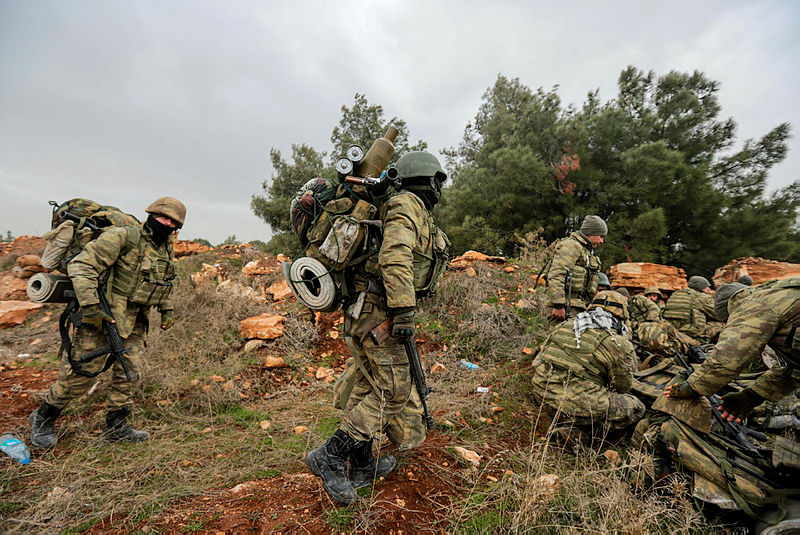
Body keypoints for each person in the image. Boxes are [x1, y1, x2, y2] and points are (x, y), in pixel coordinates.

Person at [306, 151, 449, 505]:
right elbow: (395, 256)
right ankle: (332, 455)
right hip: (379, 311)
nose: (439, 189)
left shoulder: (400, 205)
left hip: (366, 309)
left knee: (368, 382)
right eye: (438, 181)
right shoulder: (407, 204)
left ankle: (362, 462)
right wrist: (403, 311)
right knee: (394, 391)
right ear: (425, 178)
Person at [30, 197, 185, 448]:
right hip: (102, 313)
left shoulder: (165, 247)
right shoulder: (124, 237)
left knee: (128, 372)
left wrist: (166, 309)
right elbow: (82, 266)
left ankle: (116, 426)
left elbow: (166, 280)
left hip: (135, 319)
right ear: (151, 215)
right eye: (163, 217)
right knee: (80, 375)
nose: (167, 224)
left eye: (173, 222)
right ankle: (43, 417)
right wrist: (91, 307)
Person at [665, 279, 800, 422]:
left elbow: (728, 357)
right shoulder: (778, 297)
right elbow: (793, 368)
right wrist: (752, 396)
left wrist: (694, 387)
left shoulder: (754, 305)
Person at [531, 291, 645, 436]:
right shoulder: (617, 342)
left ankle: (559, 416)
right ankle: (580, 431)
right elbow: (623, 386)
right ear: (622, 314)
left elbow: (537, 362)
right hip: (578, 405)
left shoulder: (566, 325)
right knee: (636, 407)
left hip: (543, 394)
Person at [544, 215, 606, 324]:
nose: (601, 241)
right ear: (591, 233)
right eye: (600, 236)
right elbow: (556, 275)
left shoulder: (585, 250)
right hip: (565, 308)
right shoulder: (571, 246)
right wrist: (558, 305)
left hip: (578, 307)